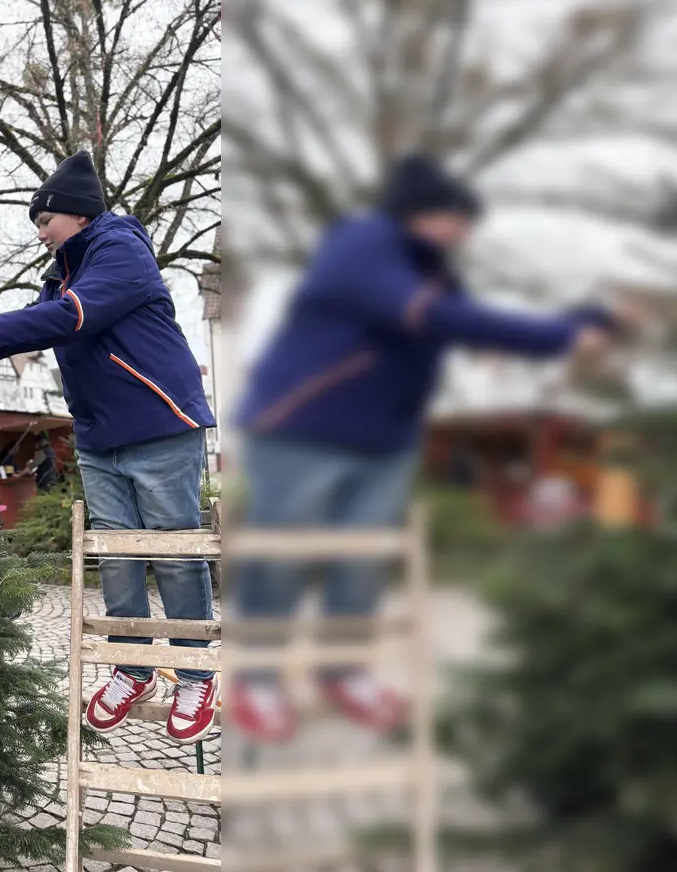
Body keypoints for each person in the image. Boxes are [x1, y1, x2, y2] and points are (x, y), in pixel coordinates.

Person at [228, 153, 627, 743]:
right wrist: (564, 335)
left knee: (363, 559)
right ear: (419, 212)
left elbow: (474, 321)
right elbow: (438, 318)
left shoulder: (433, 268)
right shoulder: (362, 243)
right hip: (302, 427)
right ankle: (258, 680)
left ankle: (343, 670)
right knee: (282, 554)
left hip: (386, 440)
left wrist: (595, 321)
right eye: (456, 219)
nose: (463, 233)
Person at [0, 151, 219, 743]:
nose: (40, 233)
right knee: (117, 556)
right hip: (100, 438)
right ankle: (132, 668)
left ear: (78, 215)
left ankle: (196, 674)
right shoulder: (62, 277)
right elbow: (36, 323)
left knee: (174, 552)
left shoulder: (120, 251)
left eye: (44, 220)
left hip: (159, 425)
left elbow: (69, 319)